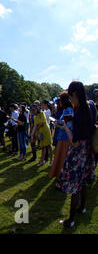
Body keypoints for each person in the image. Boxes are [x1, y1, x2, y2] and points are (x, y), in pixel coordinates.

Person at [57, 81, 96, 229]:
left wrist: (66, 127)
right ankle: (83, 208)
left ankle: (70, 220)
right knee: (84, 181)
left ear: (74, 94)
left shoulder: (79, 113)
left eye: (70, 95)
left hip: (79, 152)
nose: (70, 99)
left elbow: (74, 142)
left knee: (75, 186)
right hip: (88, 150)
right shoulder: (90, 107)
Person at [50, 92, 74, 178]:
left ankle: (64, 176)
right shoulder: (65, 110)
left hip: (66, 138)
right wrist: (58, 123)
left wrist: (58, 124)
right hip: (61, 137)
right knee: (59, 157)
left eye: (60, 101)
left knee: (64, 158)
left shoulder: (69, 110)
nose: (59, 103)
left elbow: (69, 125)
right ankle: (60, 175)